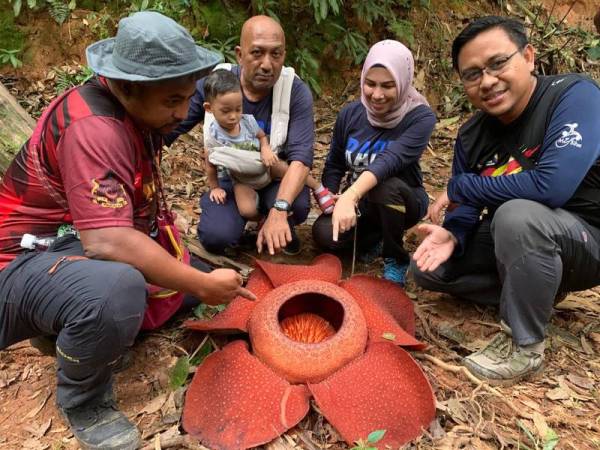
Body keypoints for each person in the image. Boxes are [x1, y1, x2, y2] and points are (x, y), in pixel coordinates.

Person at [0, 12, 255, 450]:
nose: (183, 112)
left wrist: (194, 278)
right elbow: (108, 241)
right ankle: (84, 399)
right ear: (123, 86)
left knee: (180, 274)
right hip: (20, 261)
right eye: (173, 101)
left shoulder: (137, 111)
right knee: (119, 288)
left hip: (66, 245)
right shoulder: (94, 129)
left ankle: (65, 325)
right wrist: (201, 283)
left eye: (187, 98)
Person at [411, 16, 600, 385]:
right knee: (427, 269)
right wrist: (453, 234)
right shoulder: (472, 136)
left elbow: (552, 186)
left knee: (517, 215)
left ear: (528, 57)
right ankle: (539, 287)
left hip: (589, 238)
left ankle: (523, 345)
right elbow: (464, 209)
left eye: (498, 64)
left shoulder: (574, 97)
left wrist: (462, 187)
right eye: (473, 74)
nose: (488, 81)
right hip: (524, 240)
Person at [167, 15, 315, 256]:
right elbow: (170, 127)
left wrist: (279, 208)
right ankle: (243, 223)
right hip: (230, 177)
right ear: (239, 54)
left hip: (272, 176)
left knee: (296, 205)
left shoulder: (294, 91)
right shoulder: (215, 84)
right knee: (216, 237)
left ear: (284, 56)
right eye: (257, 53)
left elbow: (301, 160)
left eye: (275, 54)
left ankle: (276, 219)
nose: (267, 64)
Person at [311, 40, 436, 285]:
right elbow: (335, 163)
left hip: (402, 198)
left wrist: (351, 195)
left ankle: (396, 257)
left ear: (403, 82)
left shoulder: (420, 117)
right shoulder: (351, 114)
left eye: (388, 86)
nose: (377, 95)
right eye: (370, 84)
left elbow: (390, 161)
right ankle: (380, 236)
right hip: (361, 202)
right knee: (326, 236)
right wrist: (333, 197)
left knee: (385, 187)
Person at [202, 69, 333, 221]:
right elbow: (210, 163)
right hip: (241, 178)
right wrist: (215, 187)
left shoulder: (246, 121)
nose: (233, 116)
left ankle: (318, 188)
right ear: (209, 108)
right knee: (246, 210)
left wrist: (265, 149)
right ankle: (262, 221)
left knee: (284, 168)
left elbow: (262, 136)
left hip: (264, 165)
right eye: (226, 111)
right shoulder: (213, 136)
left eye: (238, 109)